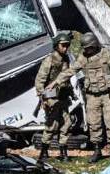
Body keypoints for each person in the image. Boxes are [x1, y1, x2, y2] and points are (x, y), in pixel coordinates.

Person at [48, 32, 110, 163]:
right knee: (94, 123)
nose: (87, 50)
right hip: (92, 96)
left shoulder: (106, 54)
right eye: (85, 48)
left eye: (89, 47)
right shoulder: (83, 57)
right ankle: (97, 150)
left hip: (109, 94)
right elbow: (71, 70)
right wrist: (56, 81)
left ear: (94, 45)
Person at [34, 33, 73, 162]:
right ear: (56, 45)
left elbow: (66, 78)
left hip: (63, 96)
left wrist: (70, 92)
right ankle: (44, 152)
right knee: (52, 126)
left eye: (67, 45)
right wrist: (43, 98)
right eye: (63, 45)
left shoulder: (66, 59)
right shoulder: (49, 60)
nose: (65, 48)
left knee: (66, 124)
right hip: (51, 98)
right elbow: (39, 81)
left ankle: (63, 152)